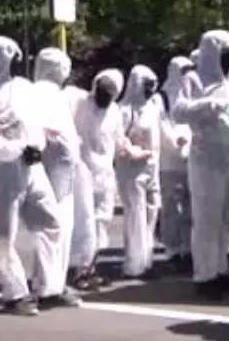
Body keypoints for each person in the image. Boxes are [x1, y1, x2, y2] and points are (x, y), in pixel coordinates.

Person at [0, 36, 77, 314]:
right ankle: (14, 293)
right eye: (11, 55)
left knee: (52, 223)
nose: (18, 61)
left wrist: (40, 140)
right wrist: (15, 148)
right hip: (5, 171)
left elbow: (35, 122)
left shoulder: (24, 88)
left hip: (34, 166)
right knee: (6, 234)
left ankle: (49, 286)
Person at [172, 30, 229, 299]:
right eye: (225, 50)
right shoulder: (192, 78)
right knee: (206, 218)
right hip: (206, 155)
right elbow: (178, 111)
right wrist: (207, 104)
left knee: (226, 216)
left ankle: (221, 270)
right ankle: (204, 276)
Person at [32, 47, 84, 295]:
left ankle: (55, 282)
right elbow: (35, 125)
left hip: (65, 170)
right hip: (53, 169)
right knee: (52, 226)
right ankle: (45, 285)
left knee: (63, 227)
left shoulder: (56, 94)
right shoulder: (40, 92)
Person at [75, 69, 124, 283]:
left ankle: (90, 267)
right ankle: (79, 269)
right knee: (84, 222)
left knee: (101, 221)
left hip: (104, 175)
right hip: (83, 172)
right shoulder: (80, 105)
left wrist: (130, 149)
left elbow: (118, 138)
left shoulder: (114, 111)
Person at [116, 65, 162, 278]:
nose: (151, 90)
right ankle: (135, 265)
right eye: (147, 85)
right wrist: (134, 152)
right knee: (136, 214)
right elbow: (119, 140)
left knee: (152, 211)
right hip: (132, 170)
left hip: (152, 167)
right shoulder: (125, 111)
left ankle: (147, 259)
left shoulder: (152, 107)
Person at [158, 56, 195, 273]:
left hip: (191, 157)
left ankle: (188, 248)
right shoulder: (161, 98)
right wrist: (174, 141)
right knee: (171, 208)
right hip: (170, 161)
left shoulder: (191, 91)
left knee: (190, 208)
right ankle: (172, 249)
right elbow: (161, 124)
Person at [63, 81, 99, 287]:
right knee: (74, 222)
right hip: (68, 171)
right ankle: (73, 268)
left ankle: (82, 267)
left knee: (85, 221)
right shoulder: (70, 100)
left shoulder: (84, 103)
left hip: (81, 169)